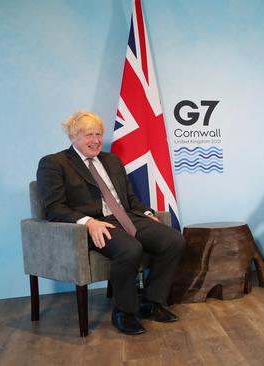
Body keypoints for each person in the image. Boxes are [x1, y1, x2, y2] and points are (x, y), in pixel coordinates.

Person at [36, 111, 185, 335]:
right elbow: (53, 207)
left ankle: (152, 302)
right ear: (73, 136)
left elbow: (128, 198)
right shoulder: (54, 163)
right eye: (88, 135)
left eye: (98, 134)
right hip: (94, 223)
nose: (96, 140)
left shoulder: (112, 160)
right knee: (130, 249)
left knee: (174, 240)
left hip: (126, 216)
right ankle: (123, 312)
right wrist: (88, 222)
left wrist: (146, 212)